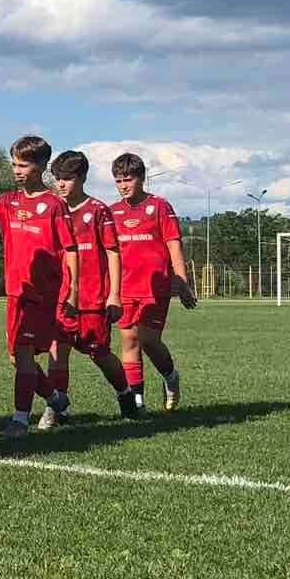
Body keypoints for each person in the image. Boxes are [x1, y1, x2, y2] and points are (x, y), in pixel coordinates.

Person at [0, 135, 79, 437]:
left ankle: (20, 421)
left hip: (40, 295)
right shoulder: (8, 202)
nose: (16, 170)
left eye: (23, 165)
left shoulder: (54, 206)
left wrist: (72, 291)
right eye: (14, 164)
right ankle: (56, 399)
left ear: (42, 166)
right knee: (18, 357)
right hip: (14, 294)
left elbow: (70, 250)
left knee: (22, 353)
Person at [46, 150, 134, 424]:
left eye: (67, 179)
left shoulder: (97, 210)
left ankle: (125, 392)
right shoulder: (50, 209)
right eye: (57, 178)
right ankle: (58, 408)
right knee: (57, 352)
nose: (61, 184)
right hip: (61, 298)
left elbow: (112, 252)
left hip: (92, 299)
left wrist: (114, 294)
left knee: (99, 354)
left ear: (82, 178)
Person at [109, 151, 197, 411]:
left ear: (142, 178)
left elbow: (174, 247)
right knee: (129, 340)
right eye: (118, 180)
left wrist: (181, 282)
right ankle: (137, 400)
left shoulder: (159, 207)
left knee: (148, 339)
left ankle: (170, 376)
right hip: (124, 287)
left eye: (128, 179)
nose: (123, 185)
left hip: (154, 286)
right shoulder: (111, 212)